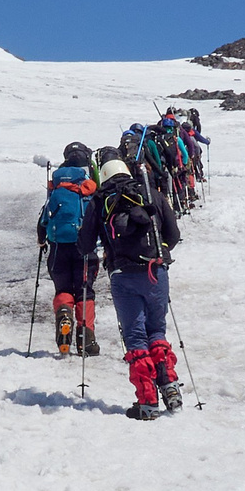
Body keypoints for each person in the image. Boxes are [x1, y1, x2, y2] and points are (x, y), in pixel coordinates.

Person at [77, 157, 181, 419]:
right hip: (156, 272)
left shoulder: (101, 200)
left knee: (135, 337)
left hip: (123, 276)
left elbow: (85, 245)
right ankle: (170, 385)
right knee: (157, 330)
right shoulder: (152, 194)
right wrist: (160, 251)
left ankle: (148, 402)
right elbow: (173, 235)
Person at [35, 144, 100, 356]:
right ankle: (86, 339)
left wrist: (42, 241)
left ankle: (64, 312)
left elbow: (43, 222)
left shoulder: (56, 192)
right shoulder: (87, 191)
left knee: (63, 288)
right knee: (84, 290)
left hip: (58, 249)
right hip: (84, 249)